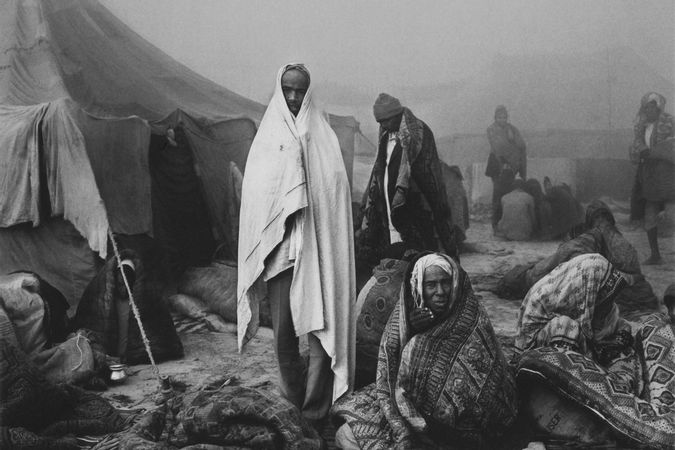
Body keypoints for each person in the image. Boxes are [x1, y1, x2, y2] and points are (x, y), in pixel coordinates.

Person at [237, 64, 355, 427]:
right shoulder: (267, 138)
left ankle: (316, 409)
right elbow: (258, 196)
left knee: (322, 333)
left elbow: (334, 194)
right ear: (279, 89)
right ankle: (293, 399)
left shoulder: (324, 138)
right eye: (287, 89)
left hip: (319, 252)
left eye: (299, 90)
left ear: (309, 92)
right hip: (281, 257)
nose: (293, 97)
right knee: (285, 335)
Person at [332, 253, 518, 449]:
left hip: (459, 424)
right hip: (409, 404)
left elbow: (480, 381)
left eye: (445, 282)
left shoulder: (473, 318)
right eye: (431, 285)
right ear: (418, 287)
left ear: (455, 283)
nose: (440, 292)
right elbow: (389, 365)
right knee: (346, 433)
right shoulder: (406, 314)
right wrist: (411, 328)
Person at [356, 94, 458, 271]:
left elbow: (428, 173)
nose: (382, 125)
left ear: (396, 115)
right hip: (389, 209)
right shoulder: (385, 137)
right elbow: (380, 170)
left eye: (385, 120)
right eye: (379, 122)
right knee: (393, 259)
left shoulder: (418, 134)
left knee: (420, 260)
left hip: (414, 207)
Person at [515, 253, 632, 362]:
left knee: (617, 321)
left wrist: (619, 336)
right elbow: (580, 326)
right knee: (566, 327)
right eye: (604, 291)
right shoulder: (543, 297)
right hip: (537, 350)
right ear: (592, 285)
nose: (607, 299)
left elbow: (609, 316)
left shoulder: (584, 293)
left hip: (573, 333)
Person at [630, 92, 675, 265]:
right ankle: (655, 254)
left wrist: (659, 152)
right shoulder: (641, 126)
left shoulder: (670, 122)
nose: (648, 111)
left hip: (667, 172)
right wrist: (641, 149)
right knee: (650, 213)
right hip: (648, 174)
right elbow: (635, 146)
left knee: (671, 212)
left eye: (651, 107)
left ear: (658, 108)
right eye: (646, 107)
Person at [485, 105, 527, 231]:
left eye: (504, 117)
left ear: (507, 118)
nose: (502, 120)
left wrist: (512, 139)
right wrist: (509, 147)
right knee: (498, 194)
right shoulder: (491, 129)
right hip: (497, 166)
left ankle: (505, 223)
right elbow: (498, 146)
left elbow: (522, 145)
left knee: (508, 194)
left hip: (510, 167)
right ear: (495, 118)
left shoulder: (512, 129)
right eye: (499, 117)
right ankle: (496, 225)